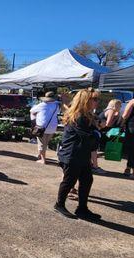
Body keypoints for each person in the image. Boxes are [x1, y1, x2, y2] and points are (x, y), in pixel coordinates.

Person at [54, 88, 101, 220]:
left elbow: (93, 134)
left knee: (87, 180)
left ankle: (82, 208)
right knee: (69, 181)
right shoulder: (79, 116)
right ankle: (59, 204)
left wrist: (96, 133)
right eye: (95, 99)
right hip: (72, 154)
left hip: (81, 153)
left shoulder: (87, 115)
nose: (97, 102)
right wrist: (97, 134)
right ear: (85, 101)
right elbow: (88, 136)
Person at [30, 91, 60, 164]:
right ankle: (40, 155)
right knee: (45, 143)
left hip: (42, 126)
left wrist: (35, 118)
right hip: (53, 126)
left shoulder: (42, 104)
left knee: (41, 143)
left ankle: (43, 160)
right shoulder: (56, 105)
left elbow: (32, 111)